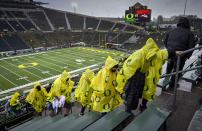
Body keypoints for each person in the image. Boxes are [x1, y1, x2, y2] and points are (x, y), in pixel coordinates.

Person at [116, 38, 172, 113]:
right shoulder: (140, 54)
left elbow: (163, 54)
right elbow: (129, 68)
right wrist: (127, 79)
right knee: (132, 94)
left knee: (138, 93)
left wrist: (174, 52)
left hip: (142, 76)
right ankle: (128, 110)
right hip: (135, 77)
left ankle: (137, 107)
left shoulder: (153, 54)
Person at [164, 17, 196, 89]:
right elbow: (191, 46)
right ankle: (172, 85)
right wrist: (188, 56)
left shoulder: (171, 31)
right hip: (181, 55)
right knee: (177, 70)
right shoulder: (189, 33)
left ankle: (165, 83)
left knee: (169, 69)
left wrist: (170, 50)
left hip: (170, 53)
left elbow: (165, 42)